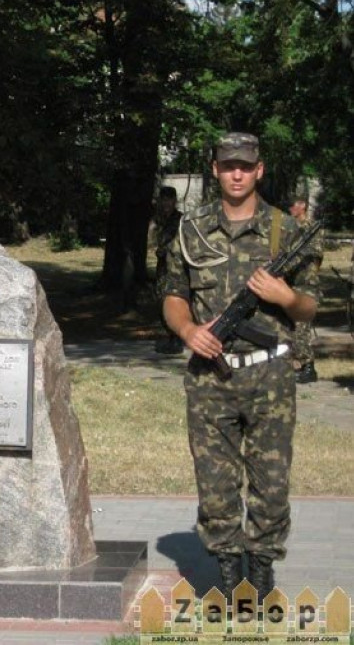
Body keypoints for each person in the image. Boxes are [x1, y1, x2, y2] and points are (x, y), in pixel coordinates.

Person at [162, 132, 319, 601]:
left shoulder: (286, 231)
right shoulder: (190, 229)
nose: (236, 173)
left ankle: (263, 574)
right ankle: (230, 578)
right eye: (228, 165)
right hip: (210, 377)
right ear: (214, 169)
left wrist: (285, 297)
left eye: (245, 166)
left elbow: (311, 307)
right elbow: (173, 296)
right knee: (216, 486)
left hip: (270, 375)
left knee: (271, 486)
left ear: (259, 170)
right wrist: (189, 331)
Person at [288, 198, 323, 383]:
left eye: (293, 204)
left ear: (302, 206)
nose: (290, 208)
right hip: (293, 283)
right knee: (293, 327)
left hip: (306, 283)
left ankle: (308, 366)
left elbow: (316, 254)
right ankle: (298, 364)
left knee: (301, 327)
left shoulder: (312, 227)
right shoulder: (290, 227)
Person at [154, 185, 185, 354]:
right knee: (160, 302)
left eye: (169, 199)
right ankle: (171, 337)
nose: (166, 203)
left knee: (173, 301)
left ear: (174, 201)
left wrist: (166, 250)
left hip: (175, 268)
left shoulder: (180, 220)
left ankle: (177, 339)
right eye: (163, 199)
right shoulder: (160, 220)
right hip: (162, 268)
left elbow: (182, 244)